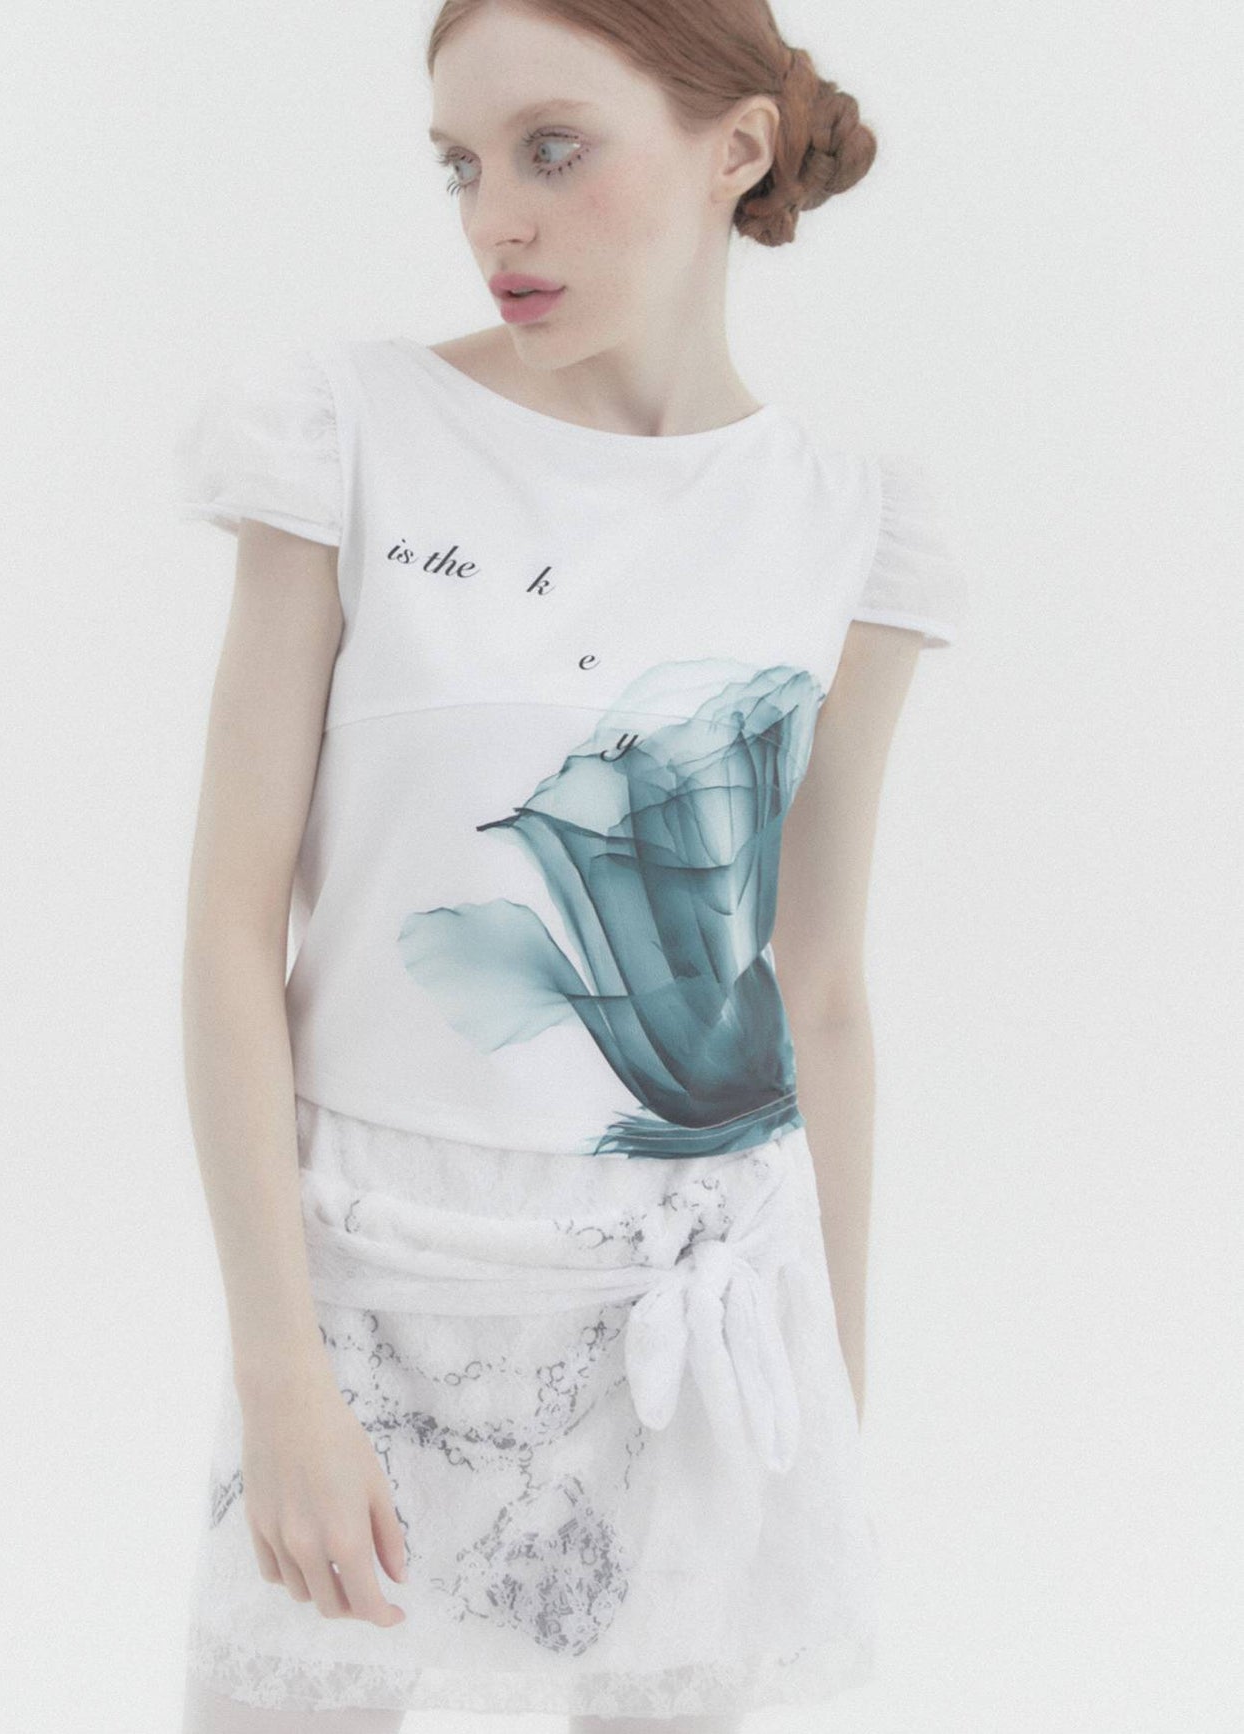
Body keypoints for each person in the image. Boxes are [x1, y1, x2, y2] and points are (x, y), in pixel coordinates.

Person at [171, 2, 968, 1730]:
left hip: (690, 1318)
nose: (494, 219)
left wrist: (828, 1399)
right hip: (371, 1289)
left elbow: (818, 986)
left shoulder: (845, 518)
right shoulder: (349, 431)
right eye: (461, 166)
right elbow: (233, 928)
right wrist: (281, 1369)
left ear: (733, 149)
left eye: (551, 149)